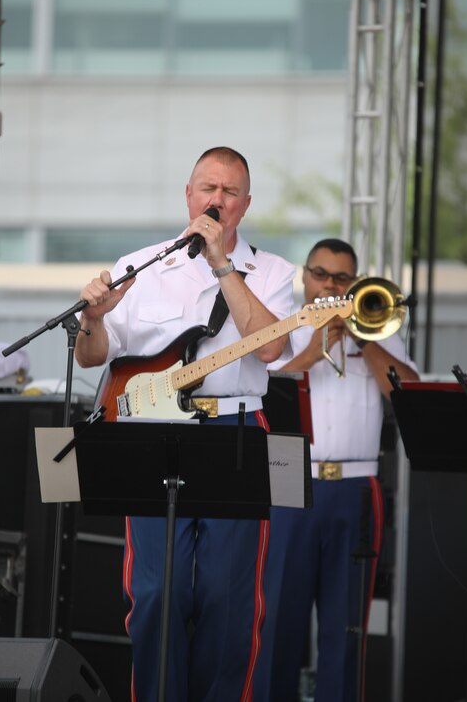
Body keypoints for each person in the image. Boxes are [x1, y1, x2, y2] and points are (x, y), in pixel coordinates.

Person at [75, 146, 295, 701]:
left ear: (245, 204)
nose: (216, 200)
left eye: (229, 192)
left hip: (237, 434)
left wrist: (223, 264)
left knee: (228, 599)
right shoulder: (141, 266)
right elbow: (92, 356)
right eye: (207, 189)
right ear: (188, 194)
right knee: (155, 594)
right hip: (153, 437)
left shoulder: (271, 271)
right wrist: (91, 319)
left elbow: (272, 352)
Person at [254, 238, 419, 702]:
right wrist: (314, 346)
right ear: (305, 277)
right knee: (279, 623)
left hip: (354, 489)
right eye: (321, 274)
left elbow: (408, 392)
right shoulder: (283, 327)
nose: (329, 284)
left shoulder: (378, 326)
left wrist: (363, 339)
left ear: (355, 283)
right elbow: (263, 389)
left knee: (345, 628)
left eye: (341, 278)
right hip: (289, 483)